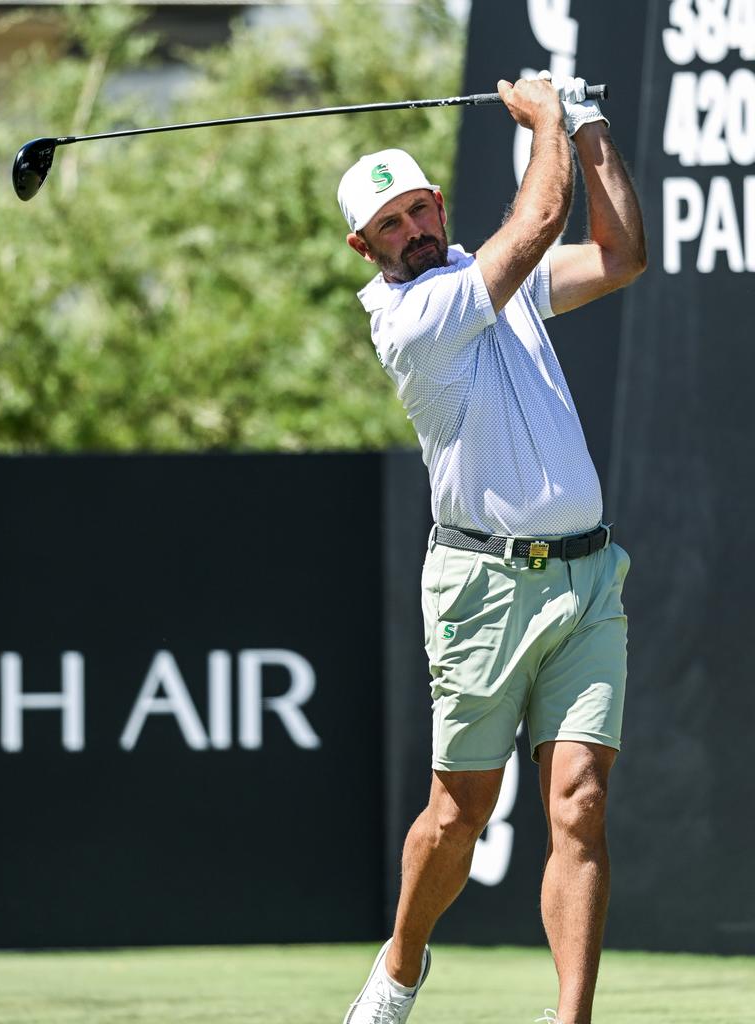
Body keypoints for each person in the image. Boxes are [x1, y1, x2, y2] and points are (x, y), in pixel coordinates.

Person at [336, 73, 646, 1024]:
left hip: (587, 579)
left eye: (422, 206)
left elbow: (623, 254)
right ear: (366, 245)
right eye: (392, 223)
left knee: (580, 805)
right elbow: (544, 214)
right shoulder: (414, 318)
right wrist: (547, 116)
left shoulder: (489, 281)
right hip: (481, 586)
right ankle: (401, 961)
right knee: (458, 813)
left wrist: (587, 125)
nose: (416, 228)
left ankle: (571, 1020)